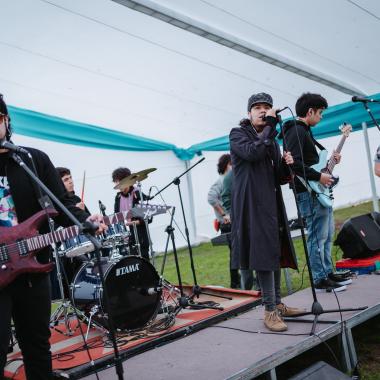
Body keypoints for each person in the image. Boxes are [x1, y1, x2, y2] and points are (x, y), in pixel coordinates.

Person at [0, 94, 106, 380]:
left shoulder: (31, 160)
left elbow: (61, 203)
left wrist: (85, 220)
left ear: (6, 121)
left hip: (33, 268)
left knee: (37, 344)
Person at [229, 92, 301, 332]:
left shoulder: (272, 140)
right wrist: (270, 126)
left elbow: (278, 177)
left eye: (267, 108)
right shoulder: (238, 134)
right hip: (251, 205)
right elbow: (253, 153)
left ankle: (278, 304)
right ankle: (269, 310)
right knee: (262, 254)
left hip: (271, 203)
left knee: (274, 250)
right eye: (257, 108)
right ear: (248, 113)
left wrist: (286, 166)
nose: (263, 111)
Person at [283, 93, 351, 293]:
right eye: (320, 112)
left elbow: (312, 163)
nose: (321, 117)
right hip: (308, 192)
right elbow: (293, 163)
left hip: (315, 191)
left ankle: (328, 272)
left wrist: (331, 164)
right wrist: (318, 177)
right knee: (317, 237)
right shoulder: (296, 131)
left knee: (327, 235)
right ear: (310, 111)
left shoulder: (304, 131)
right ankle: (319, 278)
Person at [221, 169, 259, 291]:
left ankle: (262, 290)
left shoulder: (254, 170)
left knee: (260, 259)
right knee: (245, 262)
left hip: (257, 222)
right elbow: (225, 197)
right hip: (240, 225)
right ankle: (247, 294)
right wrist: (232, 213)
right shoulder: (229, 177)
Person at [207, 154, 240, 288]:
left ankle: (243, 280)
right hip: (227, 224)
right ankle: (235, 283)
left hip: (233, 222)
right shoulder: (221, 181)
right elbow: (211, 198)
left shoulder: (229, 179)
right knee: (235, 254)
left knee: (240, 252)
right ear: (228, 164)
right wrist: (224, 214)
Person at [112, 167, 151, 260]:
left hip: (140, 236)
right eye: (116, 182)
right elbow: (117, 217)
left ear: (128, 180)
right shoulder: (118, 197)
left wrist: (134, 222)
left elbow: (148, 218)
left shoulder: (137, 194)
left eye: (120, 181)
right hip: (126, 239)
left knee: (144, 265)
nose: (118, 184)